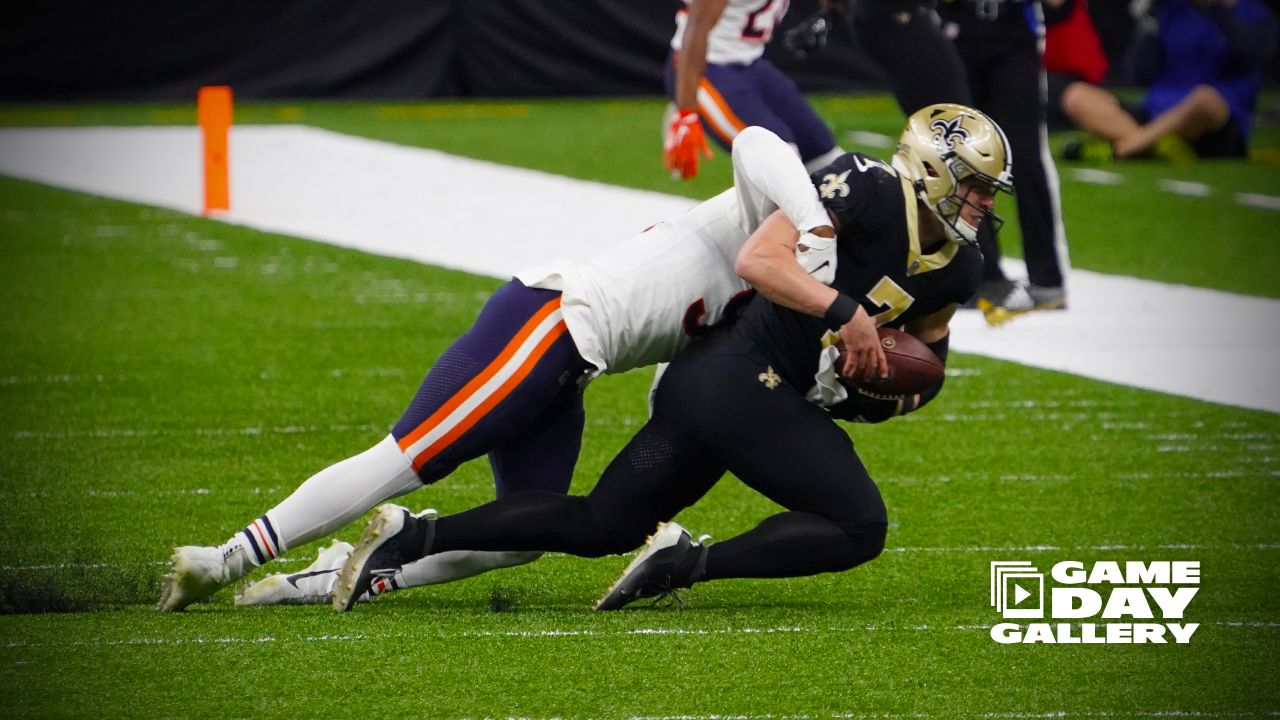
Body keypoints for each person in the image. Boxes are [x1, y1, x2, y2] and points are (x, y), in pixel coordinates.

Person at [155, 125, 870, 612]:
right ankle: (224, 559)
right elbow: (756, 141)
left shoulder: (797, 294)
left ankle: (313, 580)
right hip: (552, 323)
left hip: (576, 368)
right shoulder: (790, 220)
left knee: (522, 538)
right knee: (411, 457)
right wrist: (812, 218)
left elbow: (691, 376)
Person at [331, 104, 1014, 613]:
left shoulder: (960, 268)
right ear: (931, 171)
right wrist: (845, 315)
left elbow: (928, 366)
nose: (984, 202)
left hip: (719, 391)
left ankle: (411, 537)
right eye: (976, 186)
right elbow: (761, 261)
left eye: (989, 190)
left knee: (604, 523)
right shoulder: (861, 190)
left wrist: (873, 396)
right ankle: (689, 562)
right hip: (742, 381)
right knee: (861, 526)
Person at [934, 0, 1071, 324]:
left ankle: (1047, 276)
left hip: (1013, 29)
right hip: (956, 25)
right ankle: (982, 272)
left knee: (1024, 154)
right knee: (964, 152)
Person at [1060, 0, 1276, 163]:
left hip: (1213, 123)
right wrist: (1148, 24)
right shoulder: (1172, 10)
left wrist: (1219, 9)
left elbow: (1252, 52)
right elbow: (1139, 74)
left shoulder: (1256, 13)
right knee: (1076, 95)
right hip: (1157, 111)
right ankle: (1150, 147)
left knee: (1205, 98)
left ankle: (1128, 145)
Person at [662, 0, 844, 180]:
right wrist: (686, 114)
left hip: (751, 63)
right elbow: (698, 26)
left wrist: (828, 15)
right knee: (780, 158)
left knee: (827, 158)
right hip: (704, 68)